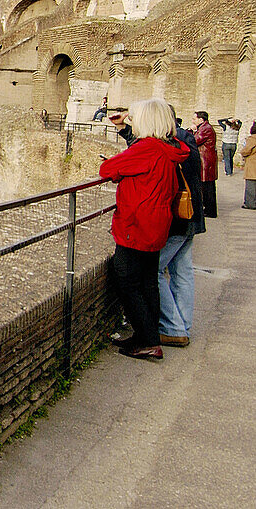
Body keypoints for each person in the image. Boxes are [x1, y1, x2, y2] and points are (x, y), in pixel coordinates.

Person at [101, 99, 190, 360]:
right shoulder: (169, 147)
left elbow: (107, 169)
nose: (132, 121)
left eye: (135, 117)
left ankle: (149, 340)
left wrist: (121, 171)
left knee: (126, 280)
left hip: (137, 223)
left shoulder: (148, 148)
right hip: (157, 222)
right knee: (148, 281)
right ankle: (146, 336)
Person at [118, 107, 205, 347]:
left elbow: (137, 161)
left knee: (154, 272)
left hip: (175, 221)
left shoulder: (167, 147)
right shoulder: (182, 142)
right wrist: (124, 130)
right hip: (191, 217)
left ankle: (172, 328)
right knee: (183, 272)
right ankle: (181, 327)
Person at [193, 111, 218, 218]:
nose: (193, 121)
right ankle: (208, 209)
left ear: (201, 120)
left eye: (195, 119)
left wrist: (192, 131)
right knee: (207, 187)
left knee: (207, 187)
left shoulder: (205, 129)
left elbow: (195, 140)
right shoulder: (204, 128)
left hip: (206, 161)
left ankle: (210, 210)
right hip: (206, 160)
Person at [241, 122, 256, 210]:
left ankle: (250, 203)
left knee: (251, 185)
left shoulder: (252, 139)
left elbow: (246, 150)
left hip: (252, 164)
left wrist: (243, 153)